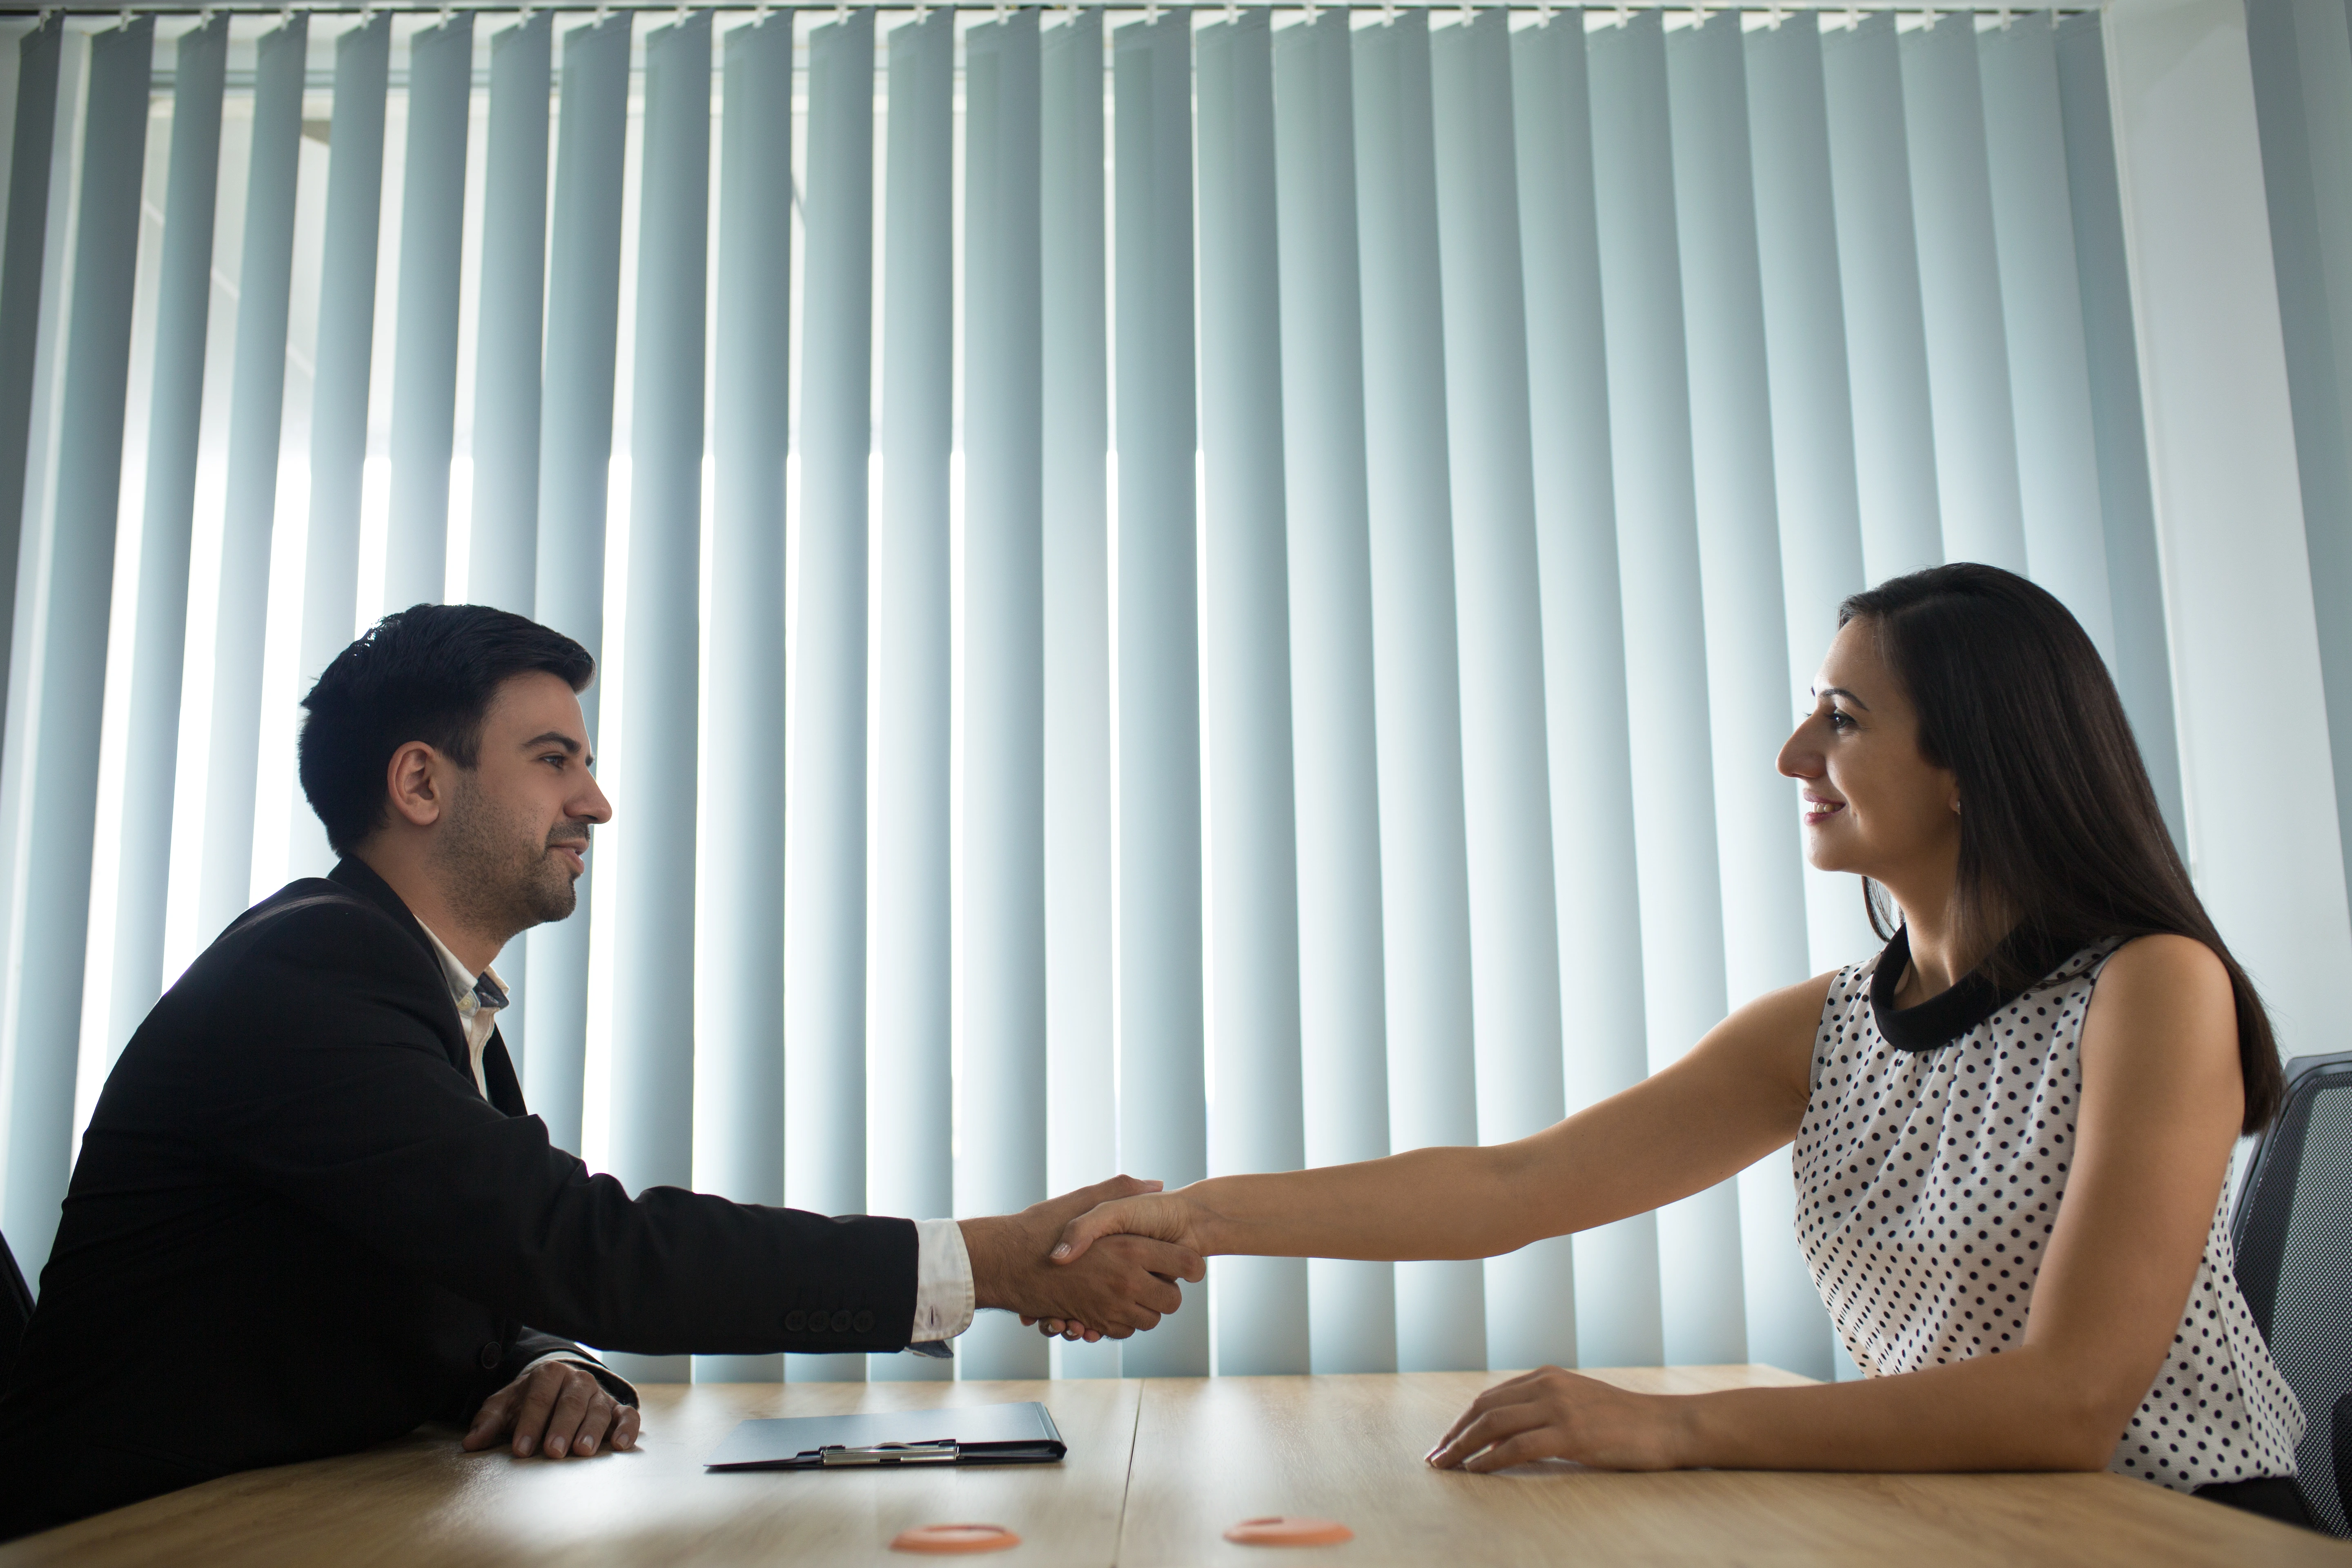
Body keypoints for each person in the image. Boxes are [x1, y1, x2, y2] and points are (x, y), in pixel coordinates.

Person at [1033, 564, 2313, 1526]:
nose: (1793, 754)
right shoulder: (1823, 1031)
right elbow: (1512, 1188)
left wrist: (1669, 1426)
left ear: (1973, 765)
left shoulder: (2154, 989)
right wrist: (1194, 1219)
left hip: (2178, 1530)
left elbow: (2069, 1403)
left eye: (1843, 720)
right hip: (1971, 1521)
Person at [0, 604, 1202, 1539]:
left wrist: (547, 1358)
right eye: (553, 758)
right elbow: (573, 1243)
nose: (598, 800)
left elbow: (466, 1260)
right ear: (420, 783)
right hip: (128, 1536)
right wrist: (985, 1263)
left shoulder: (418, 994)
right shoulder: (313, 973)